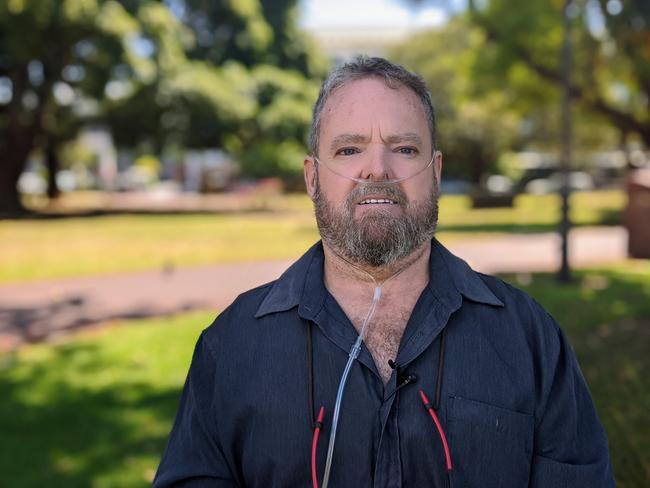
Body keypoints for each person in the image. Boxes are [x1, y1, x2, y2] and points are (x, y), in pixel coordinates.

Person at [153, 56, 614, 488]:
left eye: (405, 148)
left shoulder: (529, 338)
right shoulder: (232, 345)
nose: (377, 170)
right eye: (350, 149)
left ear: (435, 173)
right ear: (313, 177)